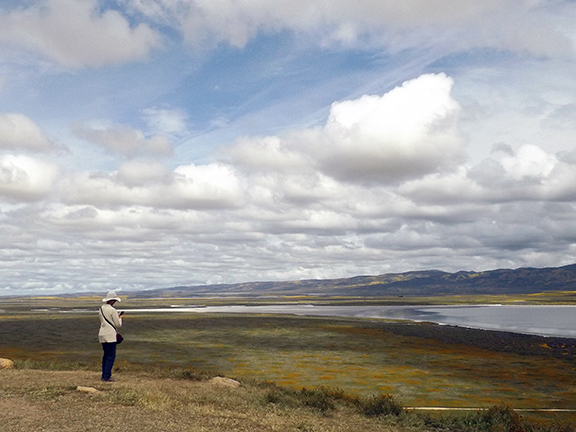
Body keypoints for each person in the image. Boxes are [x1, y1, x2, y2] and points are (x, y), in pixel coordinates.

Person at [98, 291, 124, 382]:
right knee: (110, 356)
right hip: (110, 335)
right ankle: (107, 377)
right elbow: (118, 325)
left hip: (102, 334)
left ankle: (104, 375)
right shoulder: (112, 310)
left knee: (105, 355)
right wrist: (120, 318)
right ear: (113, 301)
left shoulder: (101, 309)